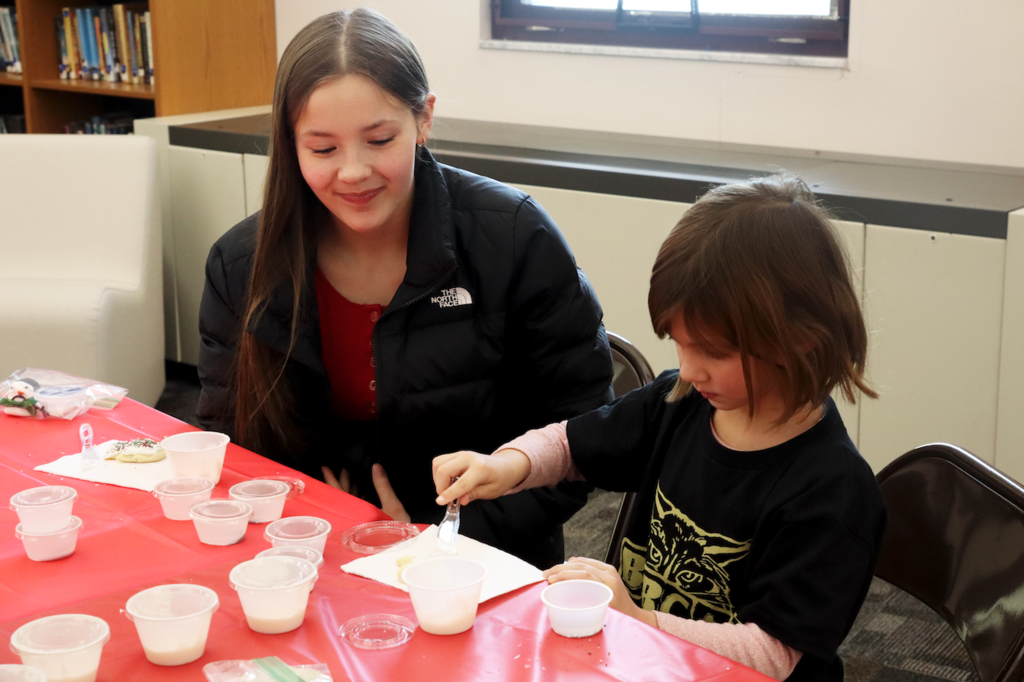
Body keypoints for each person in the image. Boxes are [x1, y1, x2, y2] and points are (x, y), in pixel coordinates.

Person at [196, 8, 613, 569]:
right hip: (308, 555)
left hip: (483, 566)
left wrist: (438, 544)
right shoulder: (241, 265)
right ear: (290, 144)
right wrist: (318, 527)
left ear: (424, 119)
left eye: (379, 139)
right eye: (323, 149)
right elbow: (231, 451)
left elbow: (579, 432)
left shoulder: (514, 237)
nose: (353, 171)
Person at [433, 175, 887, 681]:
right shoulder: (681, 402)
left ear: (801, 338)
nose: (690, 370)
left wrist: (641, 620)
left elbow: (773, 654)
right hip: (647, 661)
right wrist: (505, 464)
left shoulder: (832, 490)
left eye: (714, 352)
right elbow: (571, 445)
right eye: (679, 342)